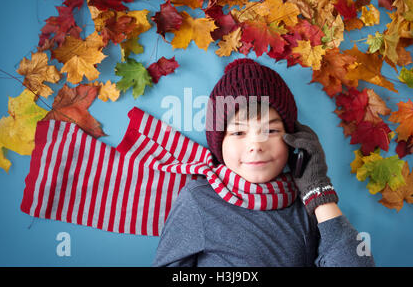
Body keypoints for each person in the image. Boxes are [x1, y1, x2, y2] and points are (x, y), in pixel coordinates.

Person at [152, 58, 375, 267]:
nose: (256, 145)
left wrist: (319, 190)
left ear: (293, 137)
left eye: (270, 130)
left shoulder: (306, 202)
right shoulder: (199, 199)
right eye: (238, 132)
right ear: (218, 143)